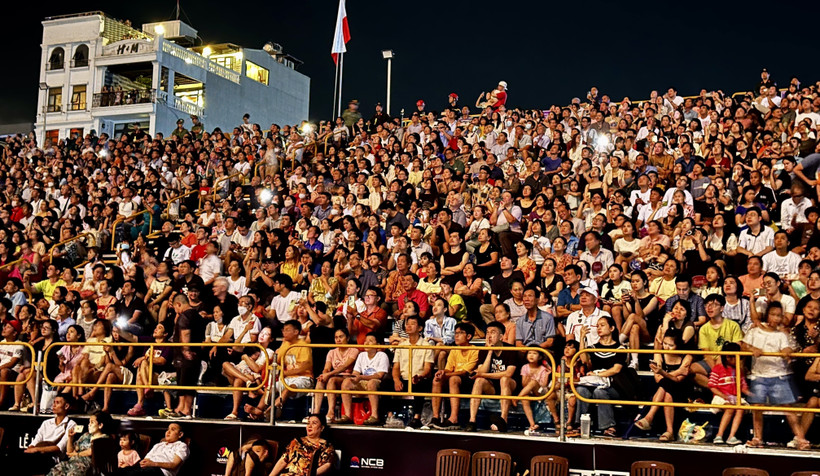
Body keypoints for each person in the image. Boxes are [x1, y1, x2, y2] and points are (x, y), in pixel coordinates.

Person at [742, 302, 809, 450]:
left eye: (779, 315)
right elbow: (743, 345)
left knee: (788, 408)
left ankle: (801, 438)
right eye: (773, 314)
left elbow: (787, 347)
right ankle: (757, 437)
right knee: (757, 407)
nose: (776, 318)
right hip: (759, 374)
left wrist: (787, 352)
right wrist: (752, 348)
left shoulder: (781, 334)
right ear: (767, 315)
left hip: (779, 375)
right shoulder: (755, 331)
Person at [634, 328, 692, 442]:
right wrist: (677, 371)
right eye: (664, 343)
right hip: (664, 389)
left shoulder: (687, 356)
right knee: (667, 392)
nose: (666, 347)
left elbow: (679, 380)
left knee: (667, 384)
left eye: (670, 345)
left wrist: (663, 372)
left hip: (681, 390)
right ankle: (669, 431)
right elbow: (658, 378)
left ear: (678, 345)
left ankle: (649, 417)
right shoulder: (659, 354)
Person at [575, 316, 626, 437]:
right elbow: (584, 359)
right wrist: (582, 338)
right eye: (597, 326)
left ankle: (608, 426)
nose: (599, 328)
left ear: (612, 328)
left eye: (602, 325)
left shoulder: (620, 348)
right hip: (594, 382)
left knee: (600, 392)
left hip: (612, 385)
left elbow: (616, 369)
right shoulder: (593, 347)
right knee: (581, 390)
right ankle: (580, 424)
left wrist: (598, 374)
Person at [465, 321, 518, 432]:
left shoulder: (510, 349)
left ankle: (503, 420)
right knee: (479, 381)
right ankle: (472, 420)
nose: (489, 335)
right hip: (492, 386)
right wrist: (489, 351)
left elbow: (508, 373)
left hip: (510, 385)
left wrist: (483, 374)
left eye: (493, 332)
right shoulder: (484, 351)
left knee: (504, 379)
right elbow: (481, 371)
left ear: (501, 336)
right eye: (487, 332)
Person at [431, 322, 479, 430]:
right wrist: (443, 373)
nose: (456, 336)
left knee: (453, 379)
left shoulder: (475, 350)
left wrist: (447, 374)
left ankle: (454, 418)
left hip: (468, 380)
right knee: (437, 380)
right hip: (454, 378)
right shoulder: (455, 349)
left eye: (460, 333)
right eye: (455, 333)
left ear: (469, 336)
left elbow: (465, 372)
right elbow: (449, 368)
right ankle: (435, 417)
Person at [391, 314, 435, 429]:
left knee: (419, 384)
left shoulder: (426, 345)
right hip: (403, 379)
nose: (408, 326)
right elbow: (396, 367)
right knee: (385, 383)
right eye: (407, 324)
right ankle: (389, 416)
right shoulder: (401, 345)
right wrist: (396, 380)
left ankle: (417, 418)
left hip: (419, 379)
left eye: (412, 324)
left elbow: (428, 368)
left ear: (420, 328)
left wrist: (419, 376)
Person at [339, 332, 390, 425]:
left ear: (378, 344)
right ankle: (347, 415)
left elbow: (379, 375)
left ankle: (375, 416)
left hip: (377, 382)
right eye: (365, 341)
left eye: (370, 341)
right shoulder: (361, 355)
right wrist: (352, 377)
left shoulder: (382, 355)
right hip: (362, 381)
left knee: (371, 383)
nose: (366, 343)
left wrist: (361, 377)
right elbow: (356, 372)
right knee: (346, 382)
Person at [20, 395, 76, 476]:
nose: (54, 405)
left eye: (57, 403)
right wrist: (31, 448)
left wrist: (37, 449)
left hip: (54, 458)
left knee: (39, 460)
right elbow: (36, 440)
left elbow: (59, 448)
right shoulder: (46, 423)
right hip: (38, 453)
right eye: (53, 402)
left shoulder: (71, 424)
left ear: (66, 406)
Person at [46, 410, 114, 476]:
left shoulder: (105, 438)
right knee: (55, 471)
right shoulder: (86, 435)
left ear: (100, 425)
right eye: (89, 422)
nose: (89, 425)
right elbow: (70, 452)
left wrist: (77, 454)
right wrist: (70, 438)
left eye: (92, 422)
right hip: (72, 462)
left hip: (86, 465)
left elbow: (92, 451)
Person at [312, 327, 358, 421]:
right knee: (320, 381)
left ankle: (330, 412)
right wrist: (324, 374)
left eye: (341, 337)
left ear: (348, 338)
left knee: (331, 380)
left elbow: (344, 367)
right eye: (336, 337)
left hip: (348, 378)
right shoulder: (331, 352)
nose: (338, 340)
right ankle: (316, 413)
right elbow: (327, 368)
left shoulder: (354, 350)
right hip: (334, 377)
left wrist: (328, 375)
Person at [708, 342, 749, 446]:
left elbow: (743, 386)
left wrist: (749, 393)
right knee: (730, 408)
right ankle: (719, 435)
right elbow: (712, 386)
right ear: (728, 357)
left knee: (740, 408)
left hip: (735, 397)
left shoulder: (739, 370)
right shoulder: (717, 368)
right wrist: (724, 396)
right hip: (720, 397)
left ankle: (731, 436)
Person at [273, 320, 314, 417]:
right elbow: (277, 360)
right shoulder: (285, 344)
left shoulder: (303, 345)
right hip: (287, 378)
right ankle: (258, 410)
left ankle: (274, 409)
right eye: (283, 330)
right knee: (270, 388)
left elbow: (305, 367)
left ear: (296, 332)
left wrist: (286, 373)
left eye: (287, 330)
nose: (284, 333)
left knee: (289, 388)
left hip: (303, 377)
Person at [270, 414, 335, 475]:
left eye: (314, 423)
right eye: (308, 423)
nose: (310, 426)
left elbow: (327, 465)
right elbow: (283, 460)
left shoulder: (326, 446)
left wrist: (308, 474)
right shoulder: (296, 442)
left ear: (322, 427)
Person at [115, 423, 189, 476]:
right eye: (167, 429)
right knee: (122, 471)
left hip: (161, 471)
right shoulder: (158, 445)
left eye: (172, 430)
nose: (168, 432)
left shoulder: (181, 446)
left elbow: (174, 465)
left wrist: (153, 464)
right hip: (147, 468)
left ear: (180, 434)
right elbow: (146, 460)